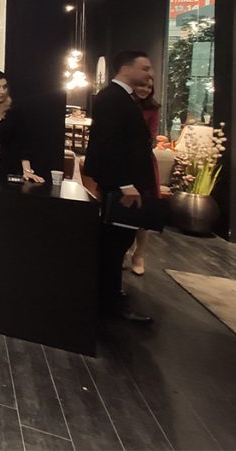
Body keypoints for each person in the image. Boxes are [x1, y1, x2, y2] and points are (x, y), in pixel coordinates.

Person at [83, 50, 157, 323]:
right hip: (121, 186)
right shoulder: (112, 98)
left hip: (124, 184)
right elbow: (109, 144)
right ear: (127, 69)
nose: (150, 73)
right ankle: (109, 303)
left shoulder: (120, 98)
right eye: (145, 68)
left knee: (118, 243)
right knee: (114, 245)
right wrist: (125, 184)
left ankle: (110, 297)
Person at [124, 79, 161, 276]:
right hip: (123, 160)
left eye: (149, 87)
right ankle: (124, 250)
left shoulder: (153, 109)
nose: (145, 90)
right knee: (124, 208)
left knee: (143, 209)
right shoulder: (123, 104)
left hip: (144, 162)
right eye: (142, 85)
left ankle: (139, 254)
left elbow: (151, 137)